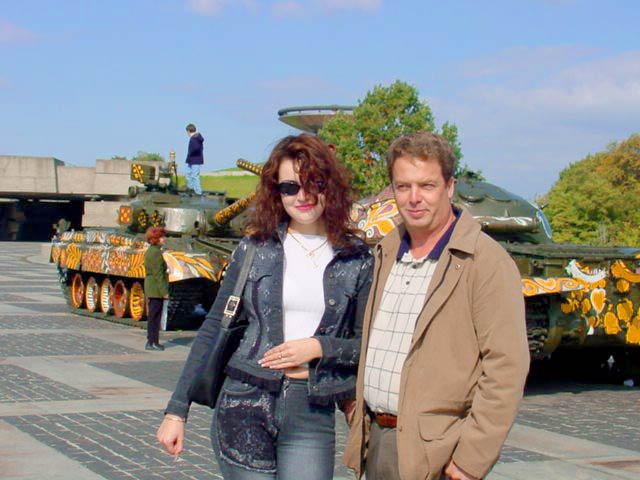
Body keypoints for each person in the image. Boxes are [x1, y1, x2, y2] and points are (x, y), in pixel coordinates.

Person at [157, 134, 373, 480]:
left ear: (330, 185)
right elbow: (214, 326)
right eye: (290, 187)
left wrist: (319, 347)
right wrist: (176, 411)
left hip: (310, 411)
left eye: (313, 183)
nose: (302, 196)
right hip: (243, 402)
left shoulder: (356, 258)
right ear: (276, 192)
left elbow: (365, 345)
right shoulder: (256, 248)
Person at [343, 131, 530, 480]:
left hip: (438, 453)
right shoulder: (385, 253)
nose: (414, 198)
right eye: (403, 186)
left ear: (449, 187)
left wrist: (471, 459)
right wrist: (354, 407)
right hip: (378, 441)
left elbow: (506, 366)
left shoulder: (483, 261)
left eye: (427, 186)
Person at [144, 226, 169, 351]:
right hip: (156, 288)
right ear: (156, 239)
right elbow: (158, 274)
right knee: (155, 317)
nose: (164, 239)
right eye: (162, 237)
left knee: (154, 316)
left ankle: (152, 340)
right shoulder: (156, 253)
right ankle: (152, 342)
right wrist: (164, 292)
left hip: (153, 286)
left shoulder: (152, 251)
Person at [185, 123, 204, 195]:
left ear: (189, 131)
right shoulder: (193, 138)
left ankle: (198, 192)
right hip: (191, 160)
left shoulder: (196, 138)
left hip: (196, 160)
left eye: (187, 132)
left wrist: (191, 153)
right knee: (188, 175)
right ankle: (190, 190)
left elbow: (196, 149)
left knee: (195, 176)